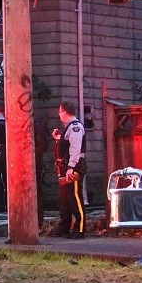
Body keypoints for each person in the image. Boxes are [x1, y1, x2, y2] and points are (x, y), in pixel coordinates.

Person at [50, 100, 88, 238]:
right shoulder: (68, 128)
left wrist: (71, 167)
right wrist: (57, 138)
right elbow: (65, 144)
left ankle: (80, 228)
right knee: (64, 199)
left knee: (75, 197)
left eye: (60, 111)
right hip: (66, 166)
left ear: (65, 112)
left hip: (74, 166)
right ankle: (64, 227)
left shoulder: (75, 127)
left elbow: (75, 148)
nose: (58, 114)